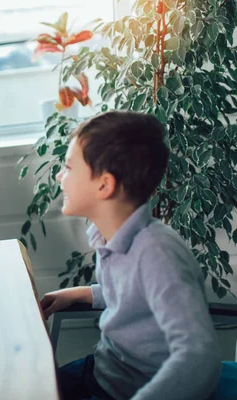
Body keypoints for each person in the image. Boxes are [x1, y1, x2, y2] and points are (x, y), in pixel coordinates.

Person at [40, 111, 221, 400]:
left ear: (104, 185)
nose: (60, 176)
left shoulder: (157, 252)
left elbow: (199, 355)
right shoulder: (115, 238)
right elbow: (135, 294)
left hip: (131, 390)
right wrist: (81, 293)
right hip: (105, 372)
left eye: (69, 167)